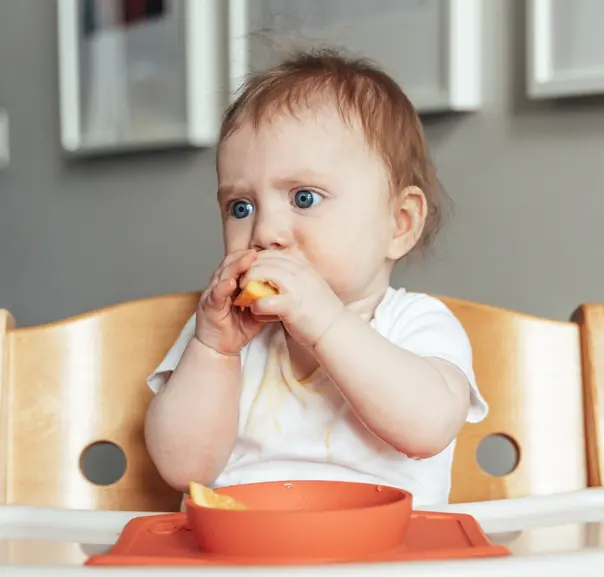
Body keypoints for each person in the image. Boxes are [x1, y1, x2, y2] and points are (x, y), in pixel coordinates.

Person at [144, 49, 487, 506]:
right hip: (245, 552)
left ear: (400, 223)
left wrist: (325, 323)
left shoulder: (416, 324)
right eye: (240, 207)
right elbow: (182, 468)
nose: (264, 232)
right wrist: (213, 350)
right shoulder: (221, 333)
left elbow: (427, 429)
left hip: (386, 554)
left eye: (304, 198)